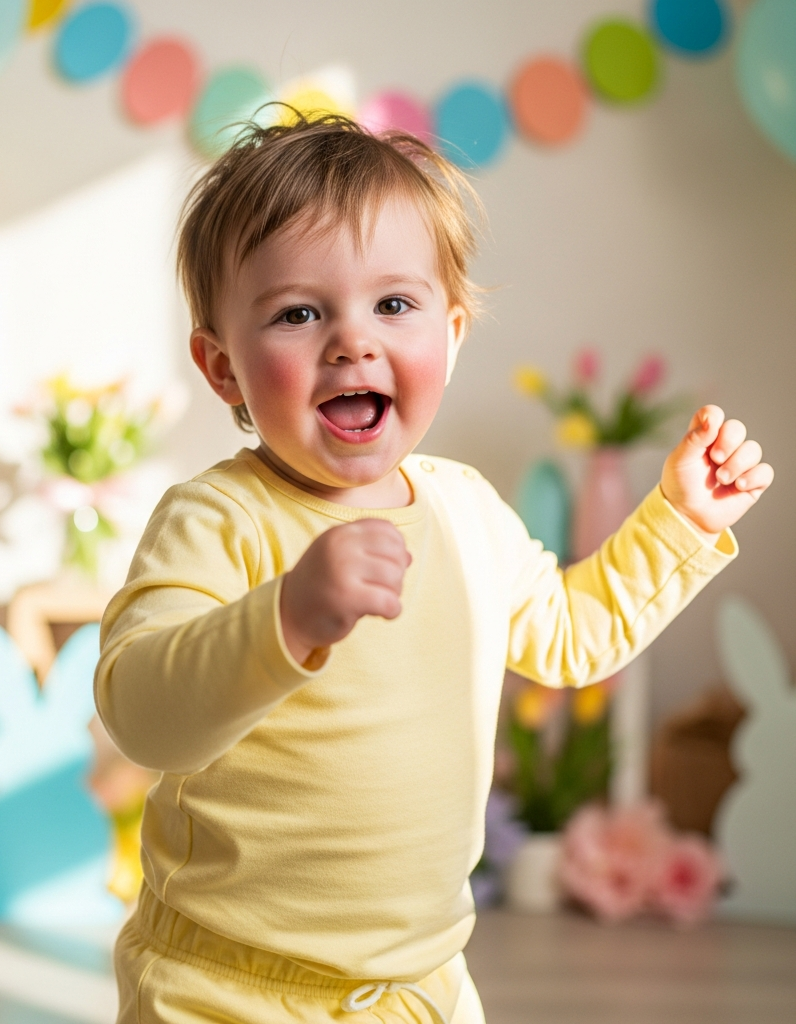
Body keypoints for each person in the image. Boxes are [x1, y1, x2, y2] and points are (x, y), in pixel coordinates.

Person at [94, 114, 773, 1024]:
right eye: (299, 313)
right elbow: (143, 716)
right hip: (229, 990)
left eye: (394, 305)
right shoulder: (219, 520)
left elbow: (575, 637)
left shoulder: (463, 512)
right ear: (223, 368)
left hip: (419, 992)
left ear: (450, 336)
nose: (351, 341)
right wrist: (284, 619)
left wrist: (680, 520)